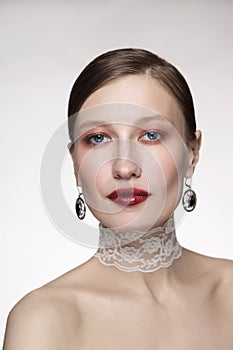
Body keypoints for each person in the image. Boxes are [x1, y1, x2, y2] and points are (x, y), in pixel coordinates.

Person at [3, 48, 233, 349]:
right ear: (75, 163)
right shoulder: (44, 319)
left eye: (150, 135)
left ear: (192, 151)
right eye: (98, 138)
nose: (124, 167)